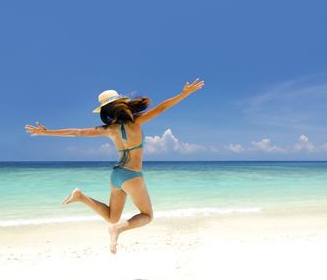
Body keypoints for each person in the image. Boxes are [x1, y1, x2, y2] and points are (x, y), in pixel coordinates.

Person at [24, 78, 204, 253]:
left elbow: (76, 132)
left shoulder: (108, 129)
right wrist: (184, 94)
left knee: (112, 216)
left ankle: (81, 197)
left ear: (106, 111)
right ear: (121, 104)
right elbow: (163, 107)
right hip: (132, 175)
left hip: (116, 176)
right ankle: (117, 229)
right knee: (147, 216)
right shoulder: (137, 121)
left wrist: (47, 133)